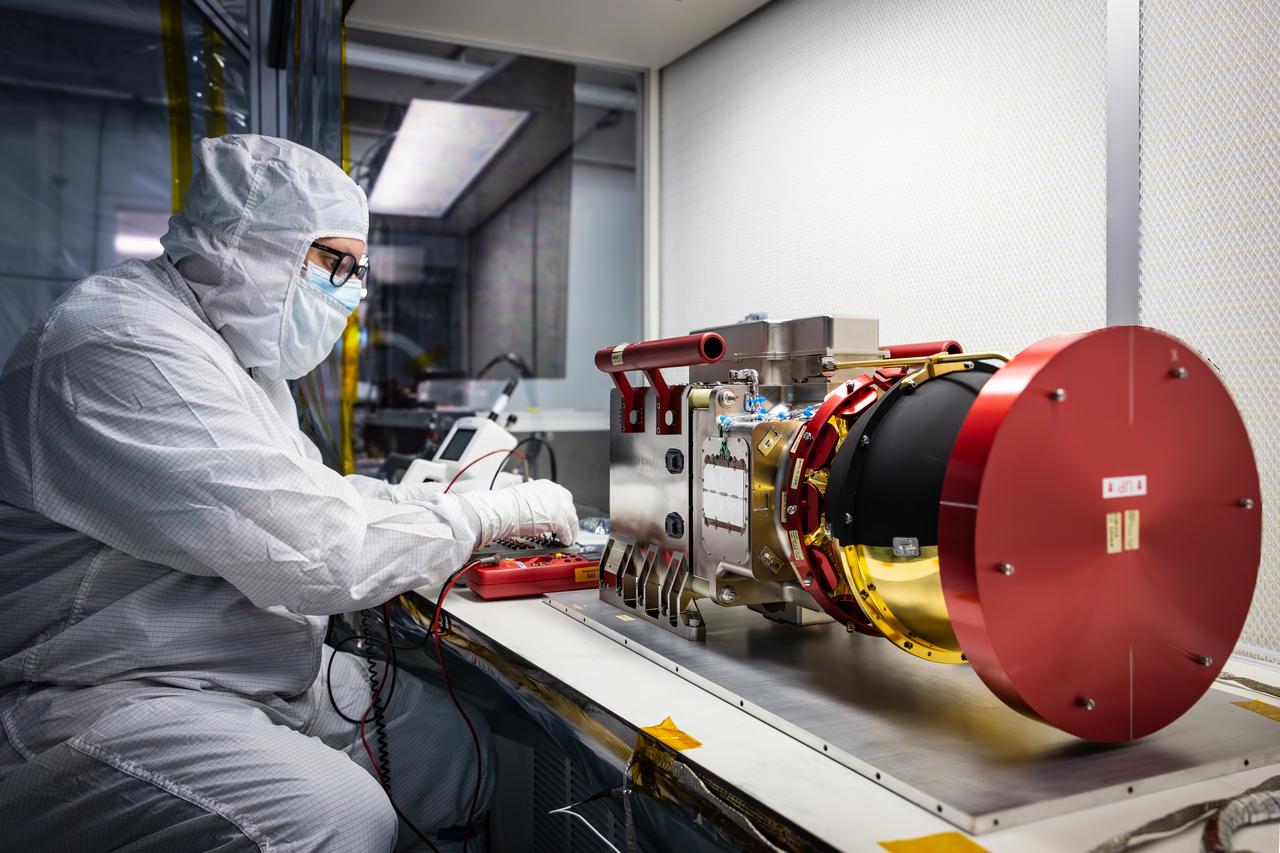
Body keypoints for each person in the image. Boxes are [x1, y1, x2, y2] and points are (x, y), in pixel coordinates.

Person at [0, 134, 578, 851]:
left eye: (359, 273)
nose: (351, 294)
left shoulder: (231, 356)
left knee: (450, 746)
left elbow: (310, 496)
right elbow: (318, 551)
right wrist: (490, 516)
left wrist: (444, 510)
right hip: (100, 693)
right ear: (249, 243)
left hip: (236, 673)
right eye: (337, 265)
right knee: (335, 815)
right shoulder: (120, 345)